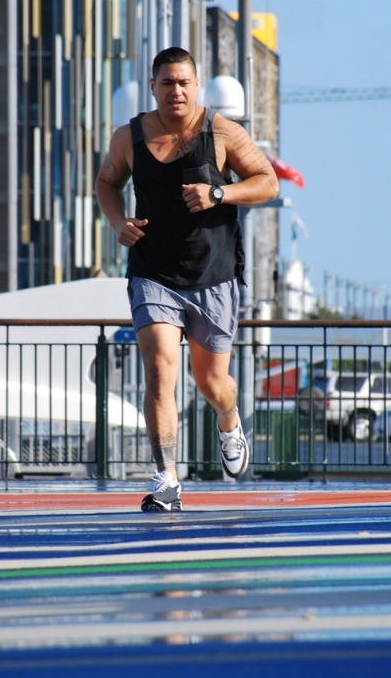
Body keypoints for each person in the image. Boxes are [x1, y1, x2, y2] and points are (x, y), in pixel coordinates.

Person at [95, 47, 279, 511]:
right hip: (153, 272)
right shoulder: (129, 136)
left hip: (214, 275)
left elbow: (267, 181)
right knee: (159, 369)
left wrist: (220, 191)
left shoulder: (220, 131)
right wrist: (118, 223)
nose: (175, 91)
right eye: (166, 83)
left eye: (183, 83)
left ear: (195, 86)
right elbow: (107, 183)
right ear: (153, 87)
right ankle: (167, 480)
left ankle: (229, 419)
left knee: (212, 382)